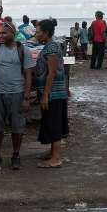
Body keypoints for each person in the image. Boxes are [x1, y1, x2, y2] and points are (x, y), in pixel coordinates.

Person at [0, 21, 35, 171]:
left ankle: (16, 155)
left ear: (13, 34)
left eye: (4, 33)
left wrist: (26, 97)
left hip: (17, 94)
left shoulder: (23, 50)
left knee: (17, 126)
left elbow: (28, 74)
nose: (0, 35)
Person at [34, 19, 68, 168]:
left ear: (46, 33)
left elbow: (52, 73)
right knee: (49, 120)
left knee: (54, 123)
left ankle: (56, 157)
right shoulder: (49, 46)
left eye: (38, 31)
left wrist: (46, 94)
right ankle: (52, 151)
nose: (36, 34)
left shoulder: (52, 48)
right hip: (53, 92)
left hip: (53, 93)